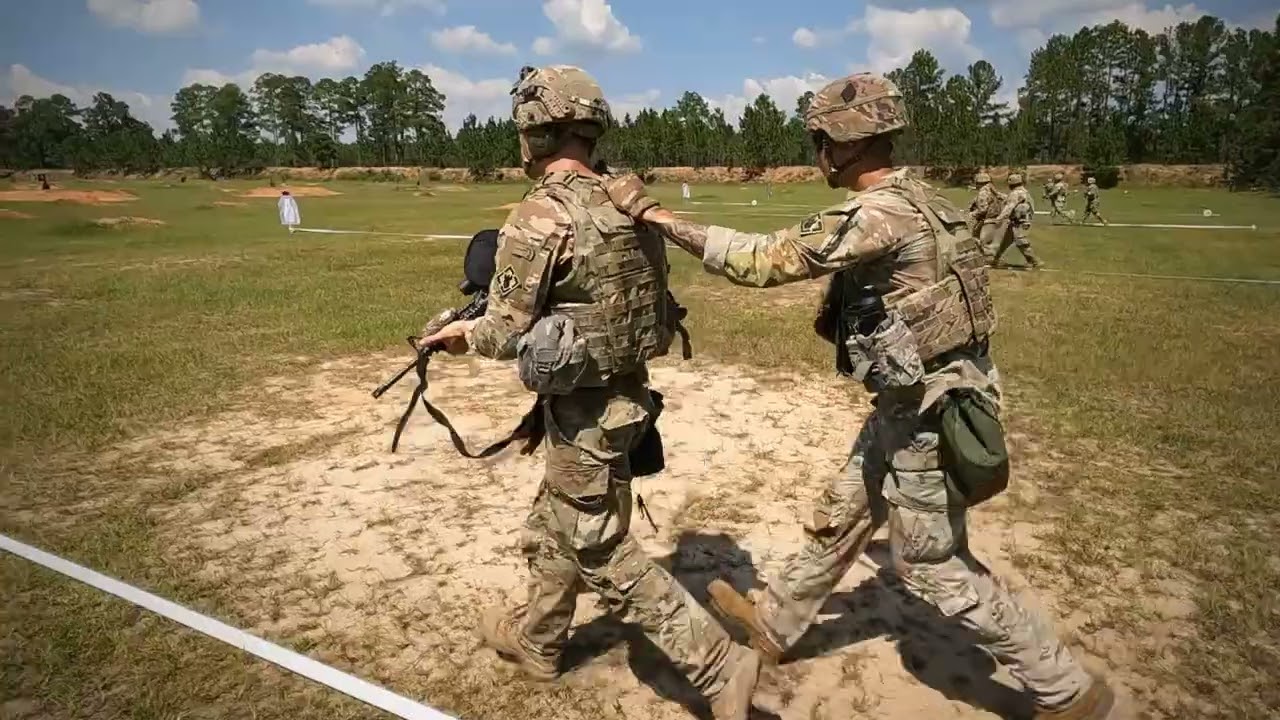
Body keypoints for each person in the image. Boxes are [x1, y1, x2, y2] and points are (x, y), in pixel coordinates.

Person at [602, 72, 1118, 720]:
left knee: (932, 563)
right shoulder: (926, 199)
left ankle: (1067, 689)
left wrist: (654, 215)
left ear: (845, 140)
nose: (817, 150)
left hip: (930, 415)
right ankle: (774, 624)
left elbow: (765, 260)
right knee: (844, 513)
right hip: (915, 405)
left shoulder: (878, 214)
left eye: (821, 138)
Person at [419, 64, 760, 720]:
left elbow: (503, 330)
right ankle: (540, 643)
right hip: (627, 398)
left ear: (534, 133)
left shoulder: (540, 214)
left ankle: (718, 667)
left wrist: (461, 335)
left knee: (598, 545)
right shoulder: (628, 201)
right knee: (554, 525)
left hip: (584, 414)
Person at [992, 173, 1043, 269]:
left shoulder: (1016, 193)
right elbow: (1011, 199)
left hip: (1019, 222)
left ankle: (1034, 260)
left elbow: (1009, 206)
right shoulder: (1023, 192)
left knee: (1021, 241)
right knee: (1005, 242)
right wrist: (998, 194)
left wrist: (999, 218)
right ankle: (996, 260)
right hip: (1019, 221)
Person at [967, 170, 1004, 258]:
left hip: (987, 220)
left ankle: (989, 257)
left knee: (980, 241)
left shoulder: (983, 193)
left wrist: (972, 214)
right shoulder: (992, 190)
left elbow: (983, 209)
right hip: (996, 218)